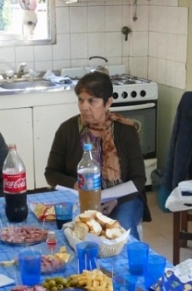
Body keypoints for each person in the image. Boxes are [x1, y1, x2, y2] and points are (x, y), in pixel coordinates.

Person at [44, 71, 150, 238]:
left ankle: (128, 264)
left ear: (108, 103)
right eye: (81, 100)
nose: (84, 106)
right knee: (70, 232)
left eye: (92, 101)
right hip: (80, 198)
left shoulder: (125, 131)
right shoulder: (67, 129)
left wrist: (115, 201)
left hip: (123, 200)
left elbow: (139, 179)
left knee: (122, 228)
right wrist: (77, 186)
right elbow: (51, 173)